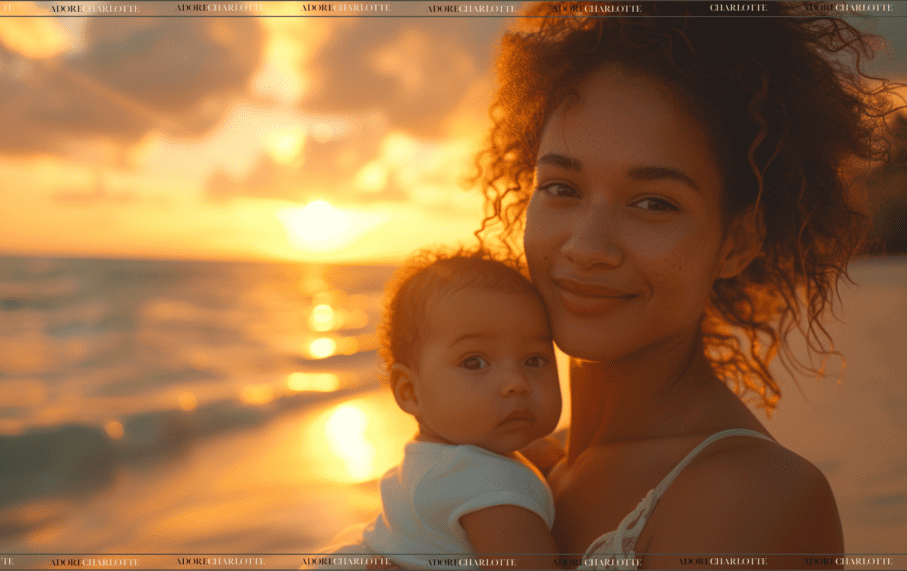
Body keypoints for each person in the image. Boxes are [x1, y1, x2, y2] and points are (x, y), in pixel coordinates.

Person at [471, 2, 902, 569]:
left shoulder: (756, 499)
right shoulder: (522, 465)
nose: (587, 246)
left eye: (654, 202)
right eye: (561, 187)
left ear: (737, 241)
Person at [312, 249, 563, 570]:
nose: (516, 382)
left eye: (534, 360)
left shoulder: (431, 461)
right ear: (409, 390)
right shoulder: (494, 493)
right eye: (475, 362)